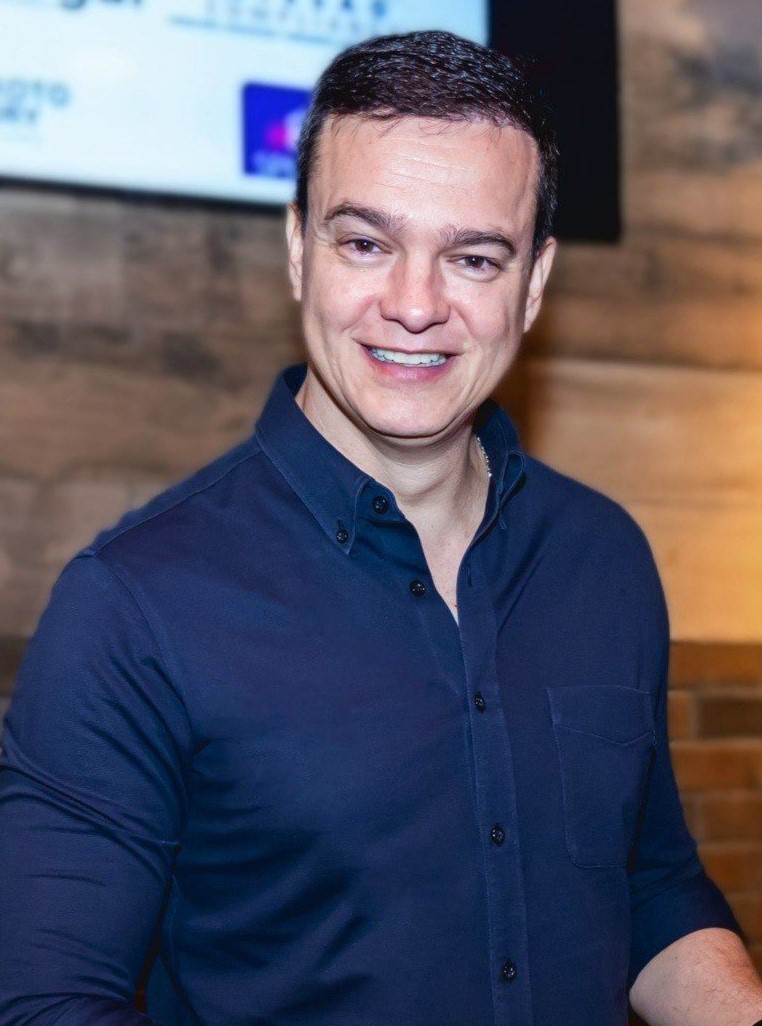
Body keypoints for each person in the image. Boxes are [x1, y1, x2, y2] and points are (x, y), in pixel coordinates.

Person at [0, 29, 760, 1026]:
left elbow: (650, 885)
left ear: (533, 284)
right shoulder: (134, 604)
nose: (413, 305)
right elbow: (47, 1005)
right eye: (366, 243)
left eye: (473, 258)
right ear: (297, 251)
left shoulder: (603, 556)